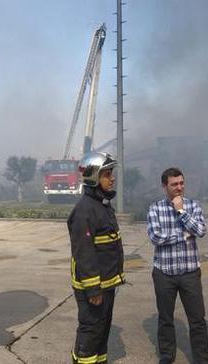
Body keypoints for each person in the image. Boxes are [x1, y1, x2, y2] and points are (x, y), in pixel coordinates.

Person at [146, 167, 208, 364]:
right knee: (165, 318)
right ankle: (167, 356)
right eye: (174, 184)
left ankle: (202, 359)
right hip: (164, 272)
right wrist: (183, 235)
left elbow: (200, 230)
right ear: (164, 186)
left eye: (181, 183)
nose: (179, 187)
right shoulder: (155, 208)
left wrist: (181, 211)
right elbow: (155, 237)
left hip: (190, 272)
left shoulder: (193, 206)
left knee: (197, 319)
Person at [67, 152, 125, 364]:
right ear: (93, 177)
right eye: (107, 174)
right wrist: (93, 289)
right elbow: (84, 252)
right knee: (91, 333)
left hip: (106, 284)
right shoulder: (85, 210)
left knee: (101, 331)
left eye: (112, 173)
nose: (112, 178)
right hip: (93, 288)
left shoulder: (101, 204)